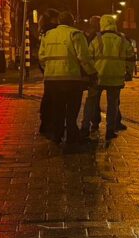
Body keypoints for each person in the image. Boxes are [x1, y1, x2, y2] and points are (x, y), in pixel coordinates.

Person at [37, 11, 96, 144]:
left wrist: (49, 69)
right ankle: (72, 136)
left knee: (57, 108)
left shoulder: (48, 35)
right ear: (72, 21)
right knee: (72, 109)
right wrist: (92, 73)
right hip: (71, 79)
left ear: (58, 21)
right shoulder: (76, 34)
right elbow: (83, 58)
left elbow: (41, 57)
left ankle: (57, 135)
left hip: (52, 80)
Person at [83, 15, 133, 140]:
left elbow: (88, 57)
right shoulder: (122, 39)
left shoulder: (96, 39)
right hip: (116, 78)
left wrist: (89, 73)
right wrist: (129, 72)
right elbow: (131, 57)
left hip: (98, 77)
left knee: (92, 101)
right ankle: (110, 130)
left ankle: (90, 126)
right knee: (113, 104)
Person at [37, 9, 61, 137]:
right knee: (56, 100)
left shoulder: (43, 31)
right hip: (58, 70)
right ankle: (53, 124)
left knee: (48, 98)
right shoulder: (54, 30)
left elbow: (41, 56)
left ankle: (45, 123)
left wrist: (46, 69)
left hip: (49, 71)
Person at [80, 16, 104, 134]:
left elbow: (86, 56)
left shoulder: (89, 37)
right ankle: (96, 121)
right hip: (104, 73)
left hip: (94, 72)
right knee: (112, 99)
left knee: (92, 98)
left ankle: (87, 124)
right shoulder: (105, 36)